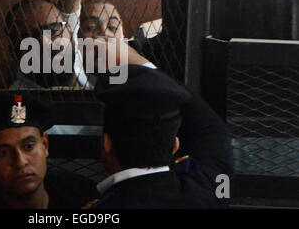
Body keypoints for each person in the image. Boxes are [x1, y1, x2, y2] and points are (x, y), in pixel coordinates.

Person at [85, 63, 233, 209]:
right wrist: (139, 62)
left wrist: (134, 62)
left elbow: (214, 133)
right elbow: (213, 133)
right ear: (175, 146)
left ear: (107, 143)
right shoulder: (211, 193)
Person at [0, 93, 98, 209]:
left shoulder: (81, 194)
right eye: (3, 153)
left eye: (28, 147)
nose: (21, 162)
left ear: (45, 145)